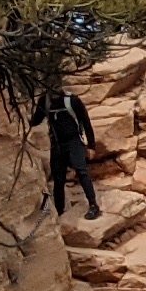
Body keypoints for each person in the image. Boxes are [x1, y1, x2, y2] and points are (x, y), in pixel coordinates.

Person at [45, 87, 101, 219]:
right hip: (57, 144)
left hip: (74, 141)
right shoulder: (45, 102)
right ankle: (60, 211)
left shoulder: (72, 100)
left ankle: (93, 205)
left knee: (81, 172)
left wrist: (91, 146)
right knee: (58, 178)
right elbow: (36, 119)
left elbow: (86, 123)